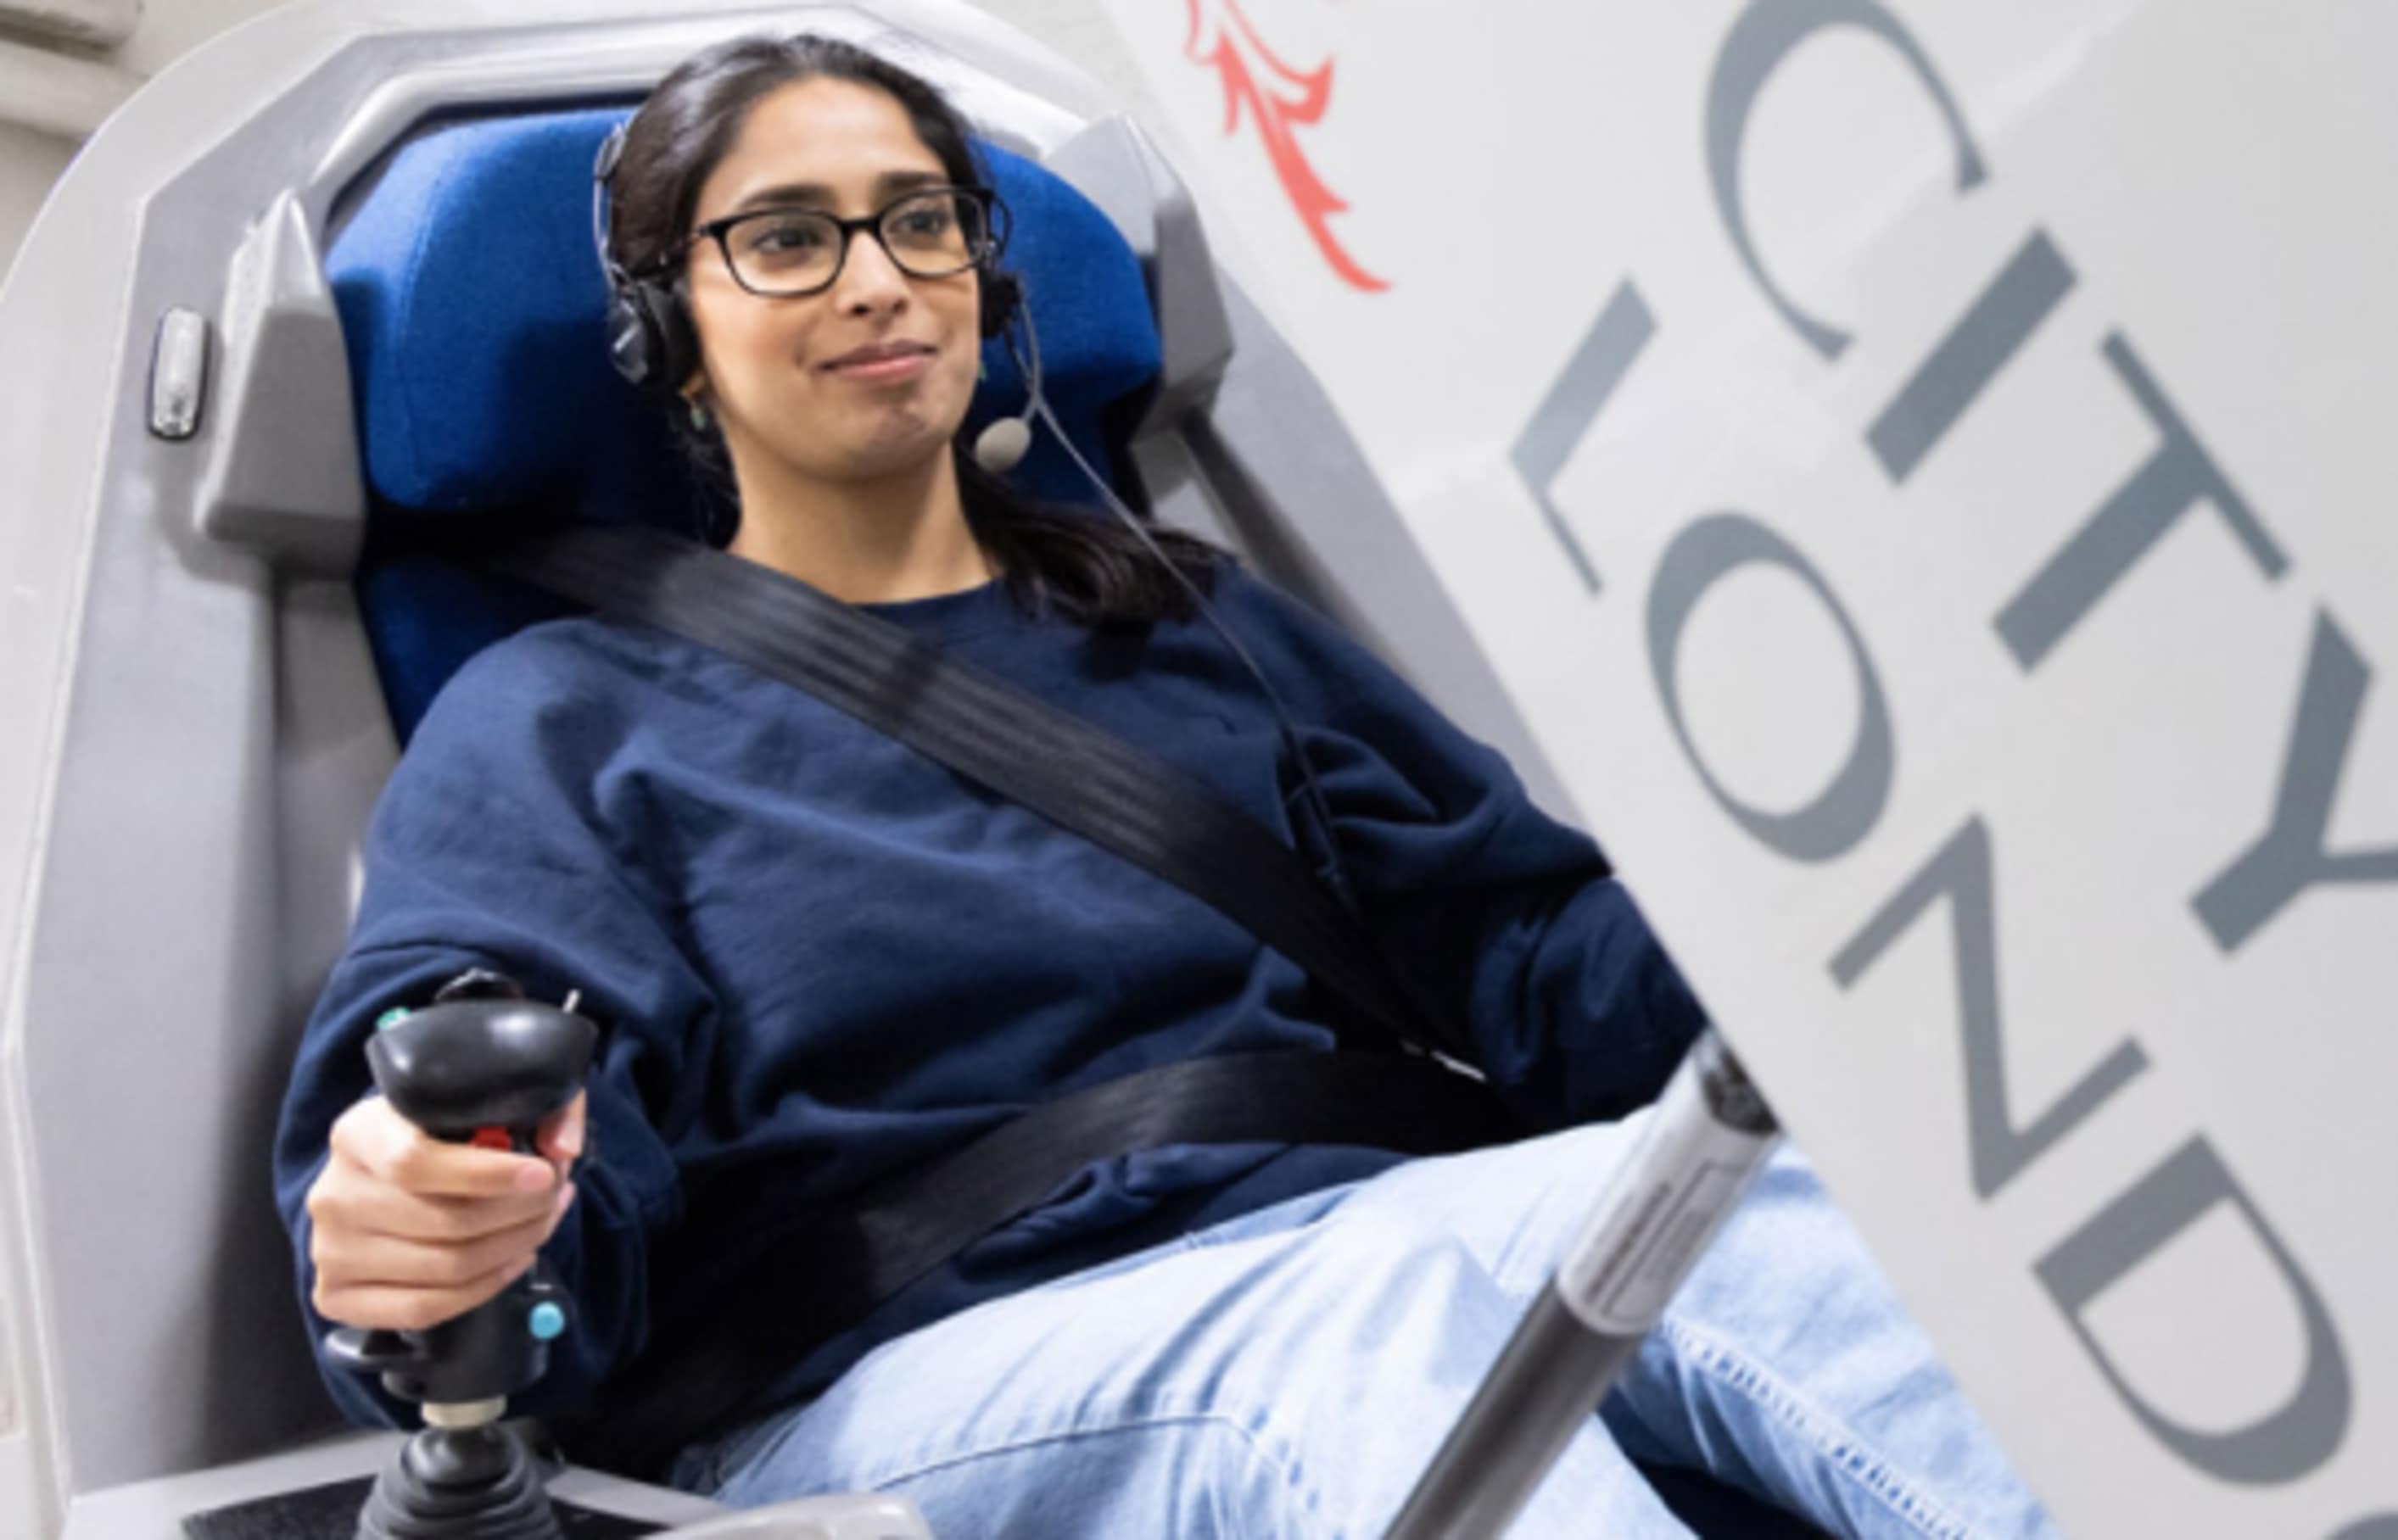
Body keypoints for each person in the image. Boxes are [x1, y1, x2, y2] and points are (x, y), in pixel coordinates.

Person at [271, 32, 2057, 1539]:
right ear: (668, 324)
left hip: (1367, 1227)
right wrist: (446, 1219)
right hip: (895, 1389)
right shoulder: (563, 713)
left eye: (918, 220)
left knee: (1775, 1202)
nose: (879, 276)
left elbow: (1524, 953)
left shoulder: (1195, 622)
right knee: (1373, 1331)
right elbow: (469, 1087)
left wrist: (1823, 924)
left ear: (991, 272)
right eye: (789, 239)